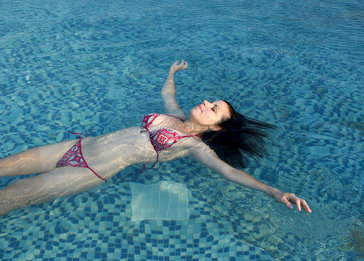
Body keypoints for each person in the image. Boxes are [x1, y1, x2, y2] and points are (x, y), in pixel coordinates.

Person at [0, 60, 311, 216]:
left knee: (11, 195)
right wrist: (172, 73)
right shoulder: (175, 114)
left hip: (89, 171)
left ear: (216, 128)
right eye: (210, 100)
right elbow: (167, 94)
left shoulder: (194, 146)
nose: (205, 102)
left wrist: (273, 191)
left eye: (213, 108)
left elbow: (228, 171)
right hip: (76, 146)